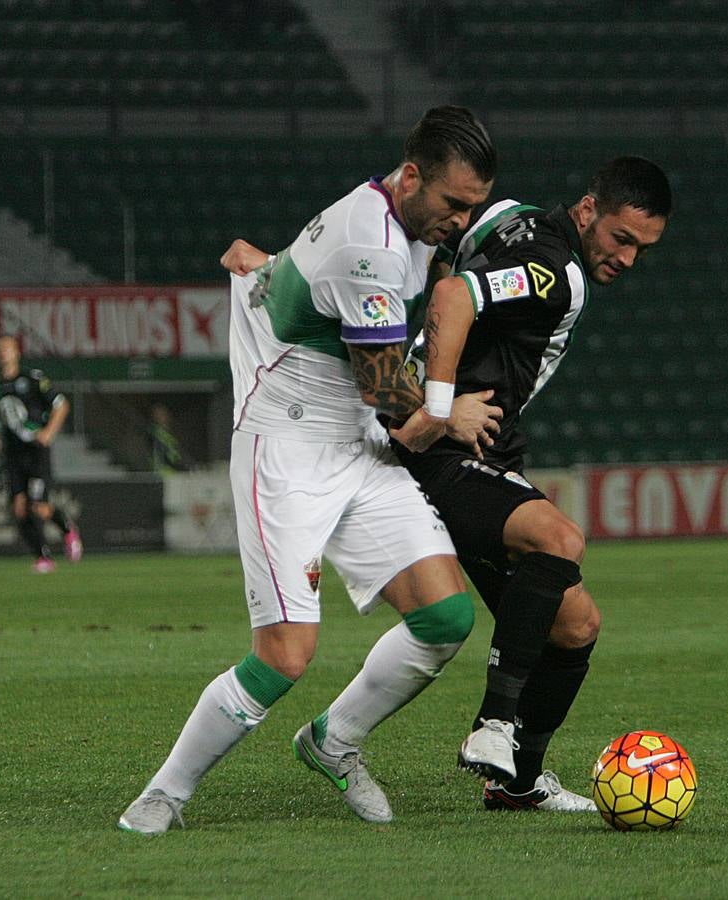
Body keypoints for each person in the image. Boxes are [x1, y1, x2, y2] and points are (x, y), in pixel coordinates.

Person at [223, 156, 672, 812]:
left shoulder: (505, 219)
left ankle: (513, 781)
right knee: (559, 537)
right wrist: (436, 407)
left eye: (642, 249)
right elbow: (452, 296)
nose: (627, 258)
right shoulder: (557, 272)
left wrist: (280, 262)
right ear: (586, 212)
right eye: (620, 239)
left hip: (480, 451)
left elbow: (418, 247)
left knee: (574, 626)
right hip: (445, 452)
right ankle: (494, 728)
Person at [118, 106, 501, 835]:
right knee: (285, 656)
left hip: (352, 443)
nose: (460, 219)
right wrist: (449, 414)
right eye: (453, 204)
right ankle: (164, 794)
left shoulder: (404, 218)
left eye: (473, 206)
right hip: (287, 448)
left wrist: (265, 268)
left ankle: (334, 741)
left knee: (445, 616)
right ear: (410, 176)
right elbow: (388, 393)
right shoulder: (372, 246)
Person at [0, 335, 83, 573]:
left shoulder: (33, 379)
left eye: (6, 348)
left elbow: (61, 404)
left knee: (40, 507)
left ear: (17, 353)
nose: (2, 353)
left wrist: (48, 433)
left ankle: (67, 529)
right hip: (13, 453)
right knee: (19, 508)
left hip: (35, 450)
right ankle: (43, 557)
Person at [147, 402, 191, 473]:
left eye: (163, 414)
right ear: (154, 417)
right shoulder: (155, 435)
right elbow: (166, 458)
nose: (162, 417)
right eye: (158, 414)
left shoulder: (169, 434)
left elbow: (178, 454)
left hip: (174, 473)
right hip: (167, 475)